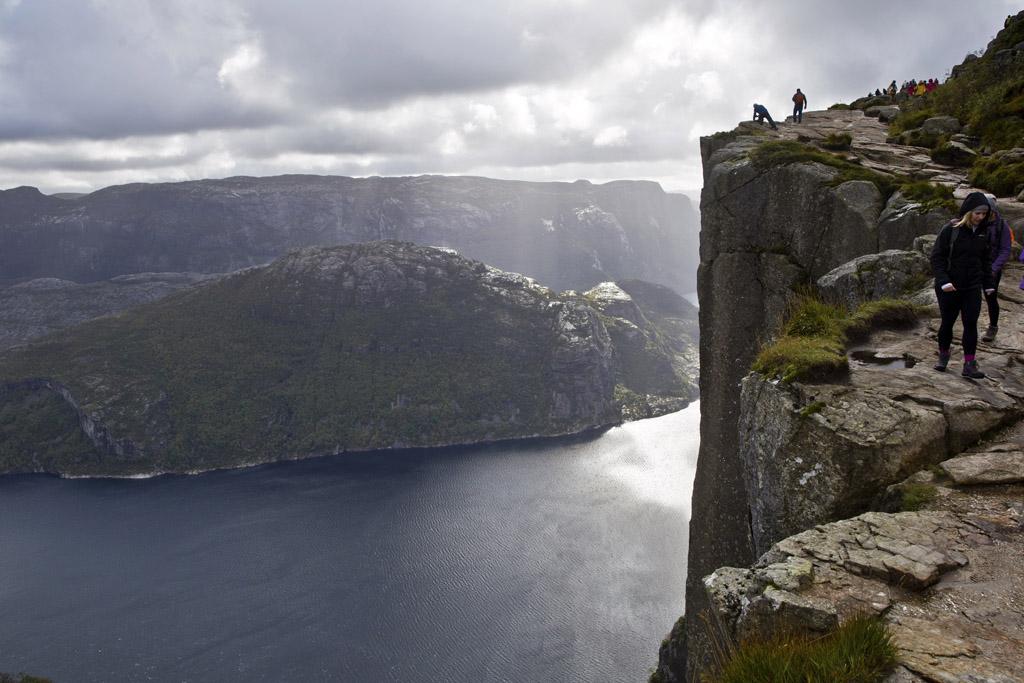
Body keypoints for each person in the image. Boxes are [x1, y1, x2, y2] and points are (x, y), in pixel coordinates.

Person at [930, 192, 996, 378]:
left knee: (970, 324)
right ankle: (943, 356)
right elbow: (937, 257)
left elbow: (985, 261)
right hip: (949, 287)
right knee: (947, 323)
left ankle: (969, 364)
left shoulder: (983, 232)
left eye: (984, 214)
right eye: (977, 214)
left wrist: (989, 284)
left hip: (972, 287)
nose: (980, 217)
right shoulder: (950, 230)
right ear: (968, 212)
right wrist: (943, 281)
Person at [982, 194, 1013, 342]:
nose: (984, 214)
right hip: (975, 267)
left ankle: (993, 327)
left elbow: (1005, 250)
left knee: (991, 298)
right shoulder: (978, 222)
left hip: (992, 270)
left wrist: (994, 269)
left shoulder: (1002, 226)